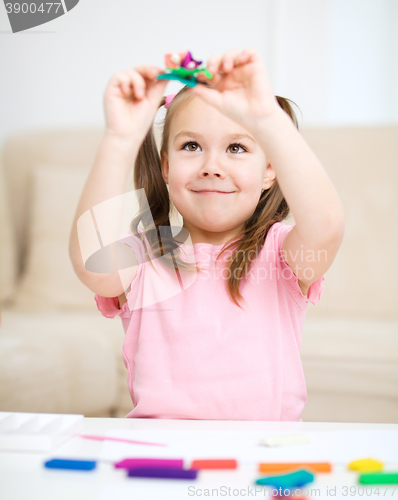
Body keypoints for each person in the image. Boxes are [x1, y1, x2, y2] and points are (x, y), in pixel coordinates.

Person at [69, 48, 345, 421]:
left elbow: (326, 226)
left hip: (262, 453)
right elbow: (92, 260)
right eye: (191, 146)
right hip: (159, 453)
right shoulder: (145, 258)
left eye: (236, 147)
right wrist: (121, 138)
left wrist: (265, 118)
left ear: (270, 171)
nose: (211, 166)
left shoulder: (281, 255)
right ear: (166, 166)